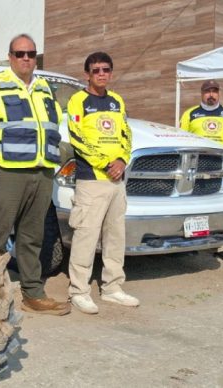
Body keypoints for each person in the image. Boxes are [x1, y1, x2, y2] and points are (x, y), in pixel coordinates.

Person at [0, 34, 69, 316]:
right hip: (4, 173)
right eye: (20, 53)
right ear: (10, 56)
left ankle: (33, 293)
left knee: (32, 236)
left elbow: (56, 126)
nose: (25, 59)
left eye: (31, 54)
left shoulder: (45, 89)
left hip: (40, 174)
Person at [66, 52, 137, 314]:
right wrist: (106, 164)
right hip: (92, 180)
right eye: (96, 70)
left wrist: (122, 160)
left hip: (117, 182)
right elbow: (77, 138)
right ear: (87, 74)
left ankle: (113, 288)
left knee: (115, 237)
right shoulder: (78, 101)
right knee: (86, 236)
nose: (101, 74)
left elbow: (127, 135)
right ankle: (78, 291)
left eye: (106, 69)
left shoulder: (117, 101)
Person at [180, 79, 223, 262]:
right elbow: (181, 138)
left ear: (219, 93)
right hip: (195, 165)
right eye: (208, 91)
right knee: (193, 203)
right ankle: (191, 242)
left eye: (214, 91)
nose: (211, 95)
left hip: (222, 166)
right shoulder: (191, 114)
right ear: (202, 93)